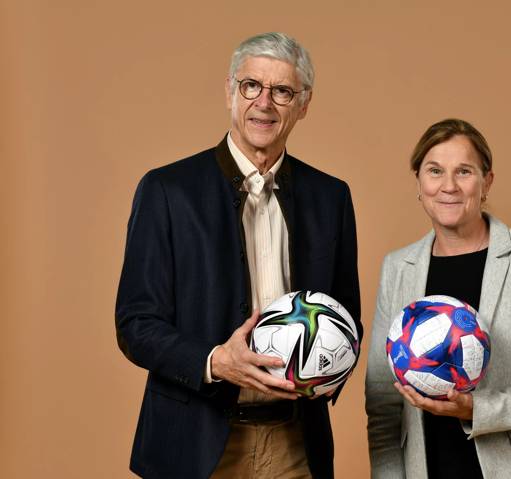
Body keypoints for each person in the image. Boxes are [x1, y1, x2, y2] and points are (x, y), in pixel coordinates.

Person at [116, 32, 361, 479]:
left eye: (282, 91)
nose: (264, 103)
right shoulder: (168, 191)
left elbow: (346, 315)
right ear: (230, 90)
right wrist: (214, 361)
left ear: (303, 104)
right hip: (194, 443)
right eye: (251, 86)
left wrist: (325, 368)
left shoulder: (331, 198)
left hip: (296, 444)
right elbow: (136, 323)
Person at [365, 119, 511, 478]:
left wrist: (477, 409)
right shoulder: (398, 268)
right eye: (435, 171)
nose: (449, 186)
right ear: (419, 183)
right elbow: (382, 404)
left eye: (464, 171)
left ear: (486, 183)